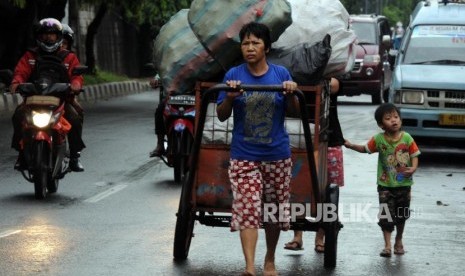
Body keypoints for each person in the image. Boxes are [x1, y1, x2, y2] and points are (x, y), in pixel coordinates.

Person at [216, 22, 300, 276]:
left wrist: (291, 93)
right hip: (244, 156)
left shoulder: (281, 74)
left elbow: (295, 112)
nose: (250, 48)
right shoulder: (233, 75)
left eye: (255, 43)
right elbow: (221, 115)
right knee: (249, 208)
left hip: (277, 155)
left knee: (273, 211)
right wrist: (229, 98)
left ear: (266, 47)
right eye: (245, 43)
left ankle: (270, 260)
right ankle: (250, 267)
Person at [344, 103, 420, 257]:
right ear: (381, 124)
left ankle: (398, 240)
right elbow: (366, 149)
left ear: (400, 120)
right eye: (388, 118)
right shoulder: (378, 139)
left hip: (404, 184)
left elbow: (414, 155)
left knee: (401, 214)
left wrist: (413, 168)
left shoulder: (407, 138)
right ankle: (387, 245)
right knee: (386, 215)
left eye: (396, 117)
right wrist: (351, 145)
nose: (394, 120)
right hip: (385, 185)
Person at [10, 18, 85, 172]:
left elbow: (76, 75)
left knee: (75, 118)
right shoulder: (30, 56)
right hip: (33, 100)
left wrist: (76, 84)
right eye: (45, 34)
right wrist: (16, 83)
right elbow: (20, 72)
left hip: (61, 101)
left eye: (52, 35)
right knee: (18, 116)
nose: (48, 38)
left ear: (59, 37)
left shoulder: (68, 57)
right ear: (38, 36)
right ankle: (22, 154)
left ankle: (75, 156)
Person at [283, 77, 345, 253]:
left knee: (326, 192)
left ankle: (320, 238)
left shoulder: (327, 73)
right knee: (298, 187)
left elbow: (335, 85)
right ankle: (297, 236)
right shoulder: (285, 75)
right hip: (297, 137)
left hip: (328, 140)